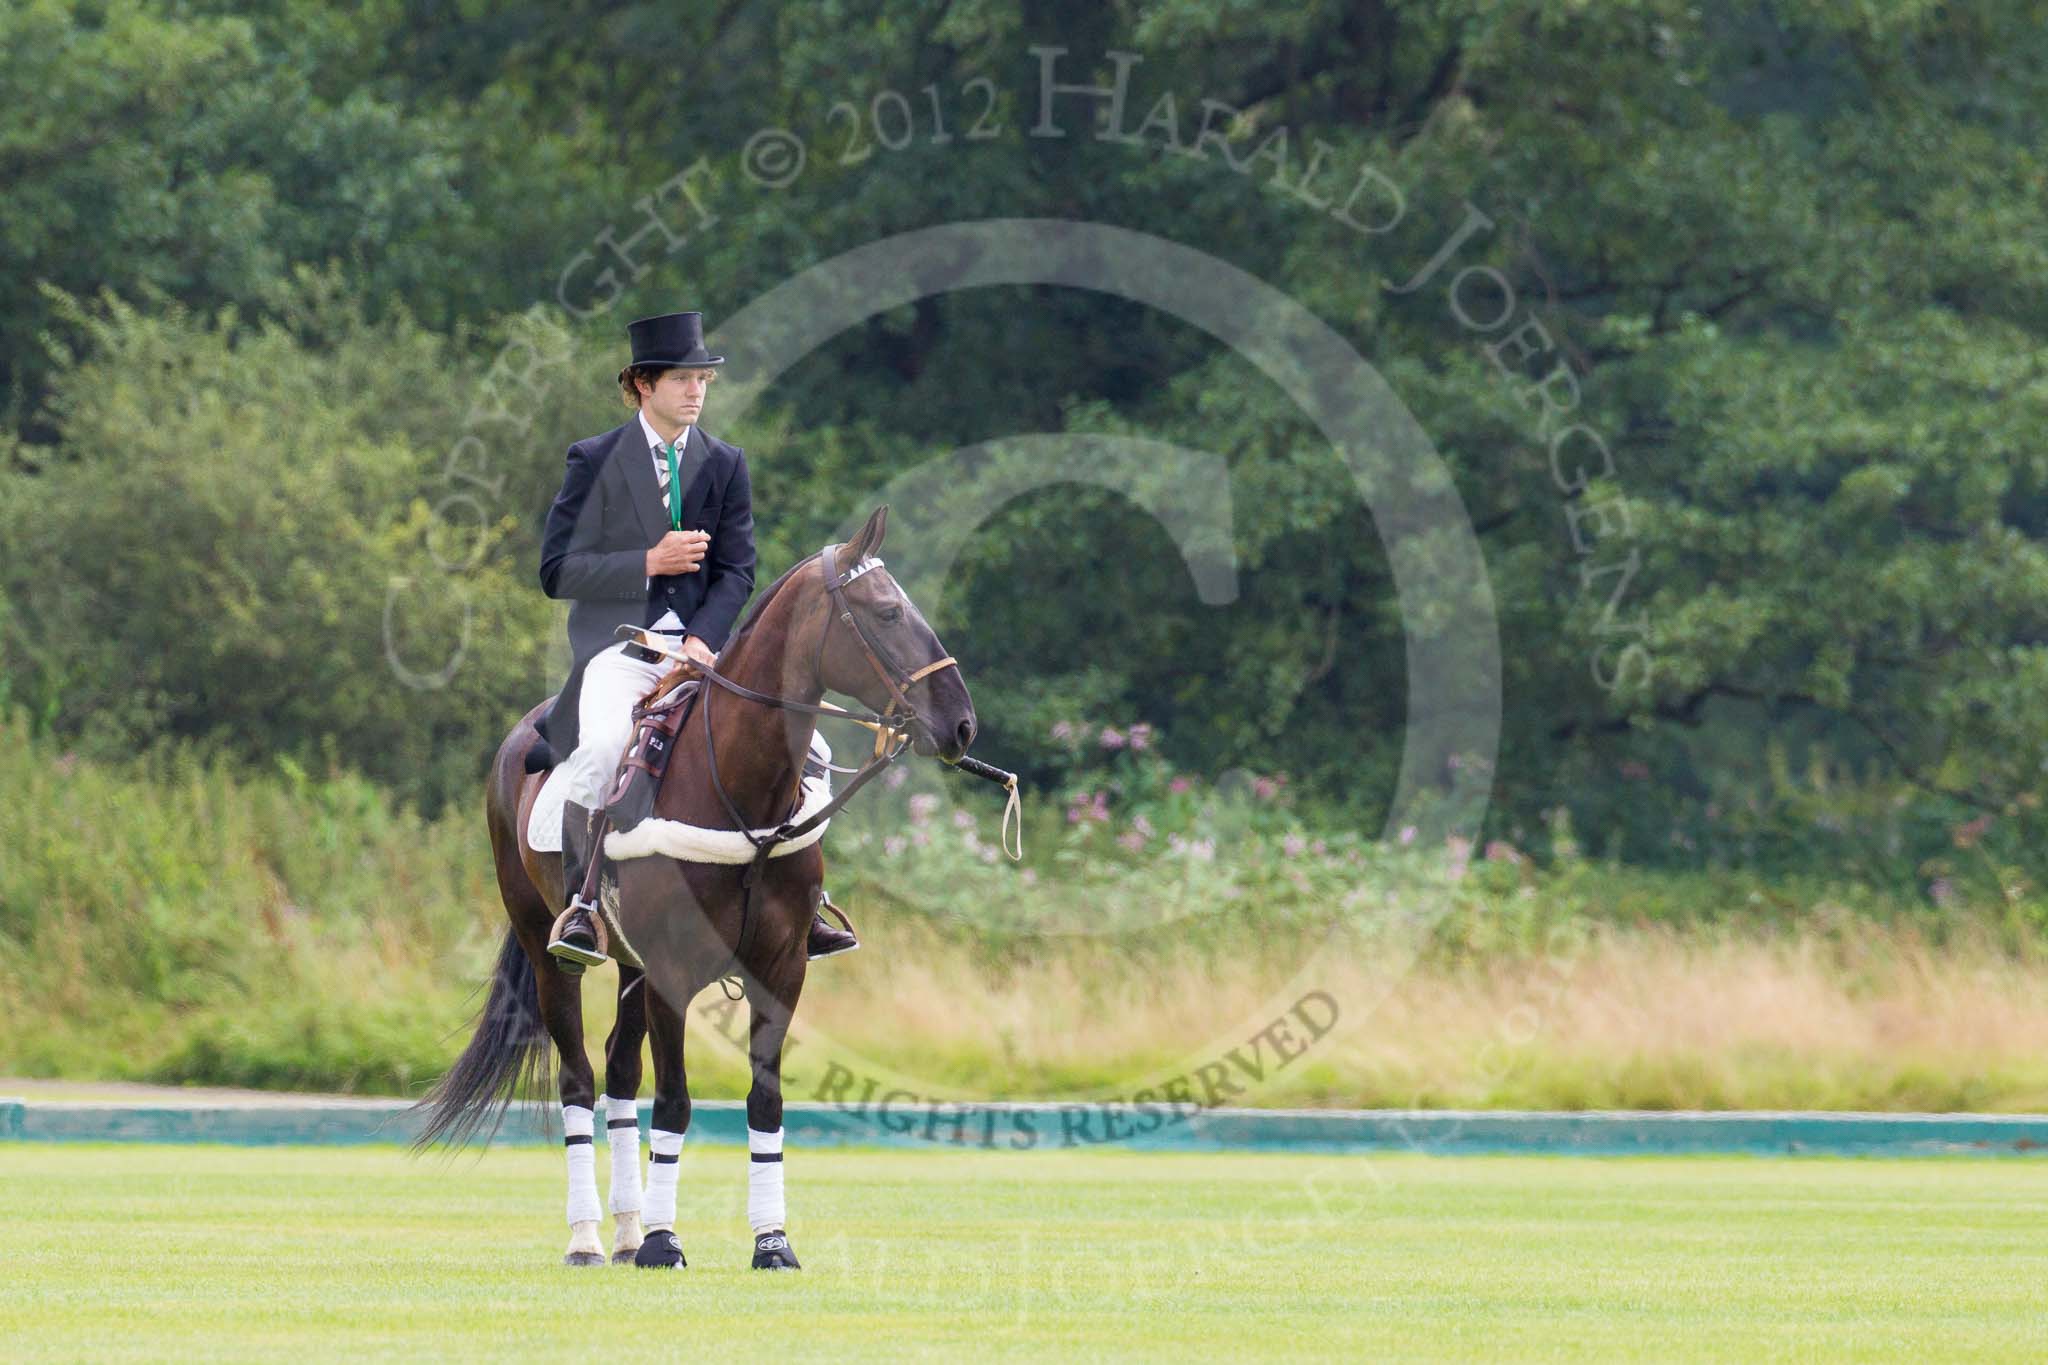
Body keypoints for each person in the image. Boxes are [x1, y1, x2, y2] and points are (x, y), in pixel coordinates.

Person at [535, 310, 858, 969]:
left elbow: (738, 569)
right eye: (682, 378)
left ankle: (807, 901)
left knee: (814, 751)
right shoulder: (594, 460)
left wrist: (707, 641)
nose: (696, 391)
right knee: (599, 749)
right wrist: (648, 561)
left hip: (704, 656)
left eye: (702, 379)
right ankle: (584, 906)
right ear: (642, 385)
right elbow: (556, 570)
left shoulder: (725, 463)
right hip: (621, 653)